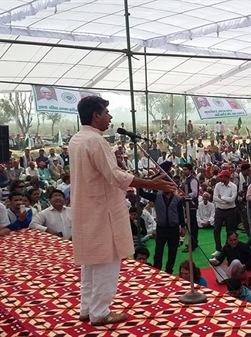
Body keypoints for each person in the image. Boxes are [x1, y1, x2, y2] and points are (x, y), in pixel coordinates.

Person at [69, 96, 176, 326]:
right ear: (96, 115)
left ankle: (87, 309)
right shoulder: (96, 142)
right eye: (106, 112)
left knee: (90, 262)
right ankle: (99, 313)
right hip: (102, 212)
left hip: (86, 211)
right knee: (107, 262)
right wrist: (152, 184)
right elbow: (115, 176)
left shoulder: (77, 139)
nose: (110, 117)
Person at [211, 169, 238, 257]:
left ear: (226, 177)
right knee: (216, 230)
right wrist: (225, 200)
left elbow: (232, 200)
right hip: (219, 210)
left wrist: (222, 197)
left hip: (230, 211)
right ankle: (218, 249)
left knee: (230, 231)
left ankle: (228, 249)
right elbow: (215, 198)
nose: (220, 178)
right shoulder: (218, 185)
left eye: (221, 176)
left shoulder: (233, 186)